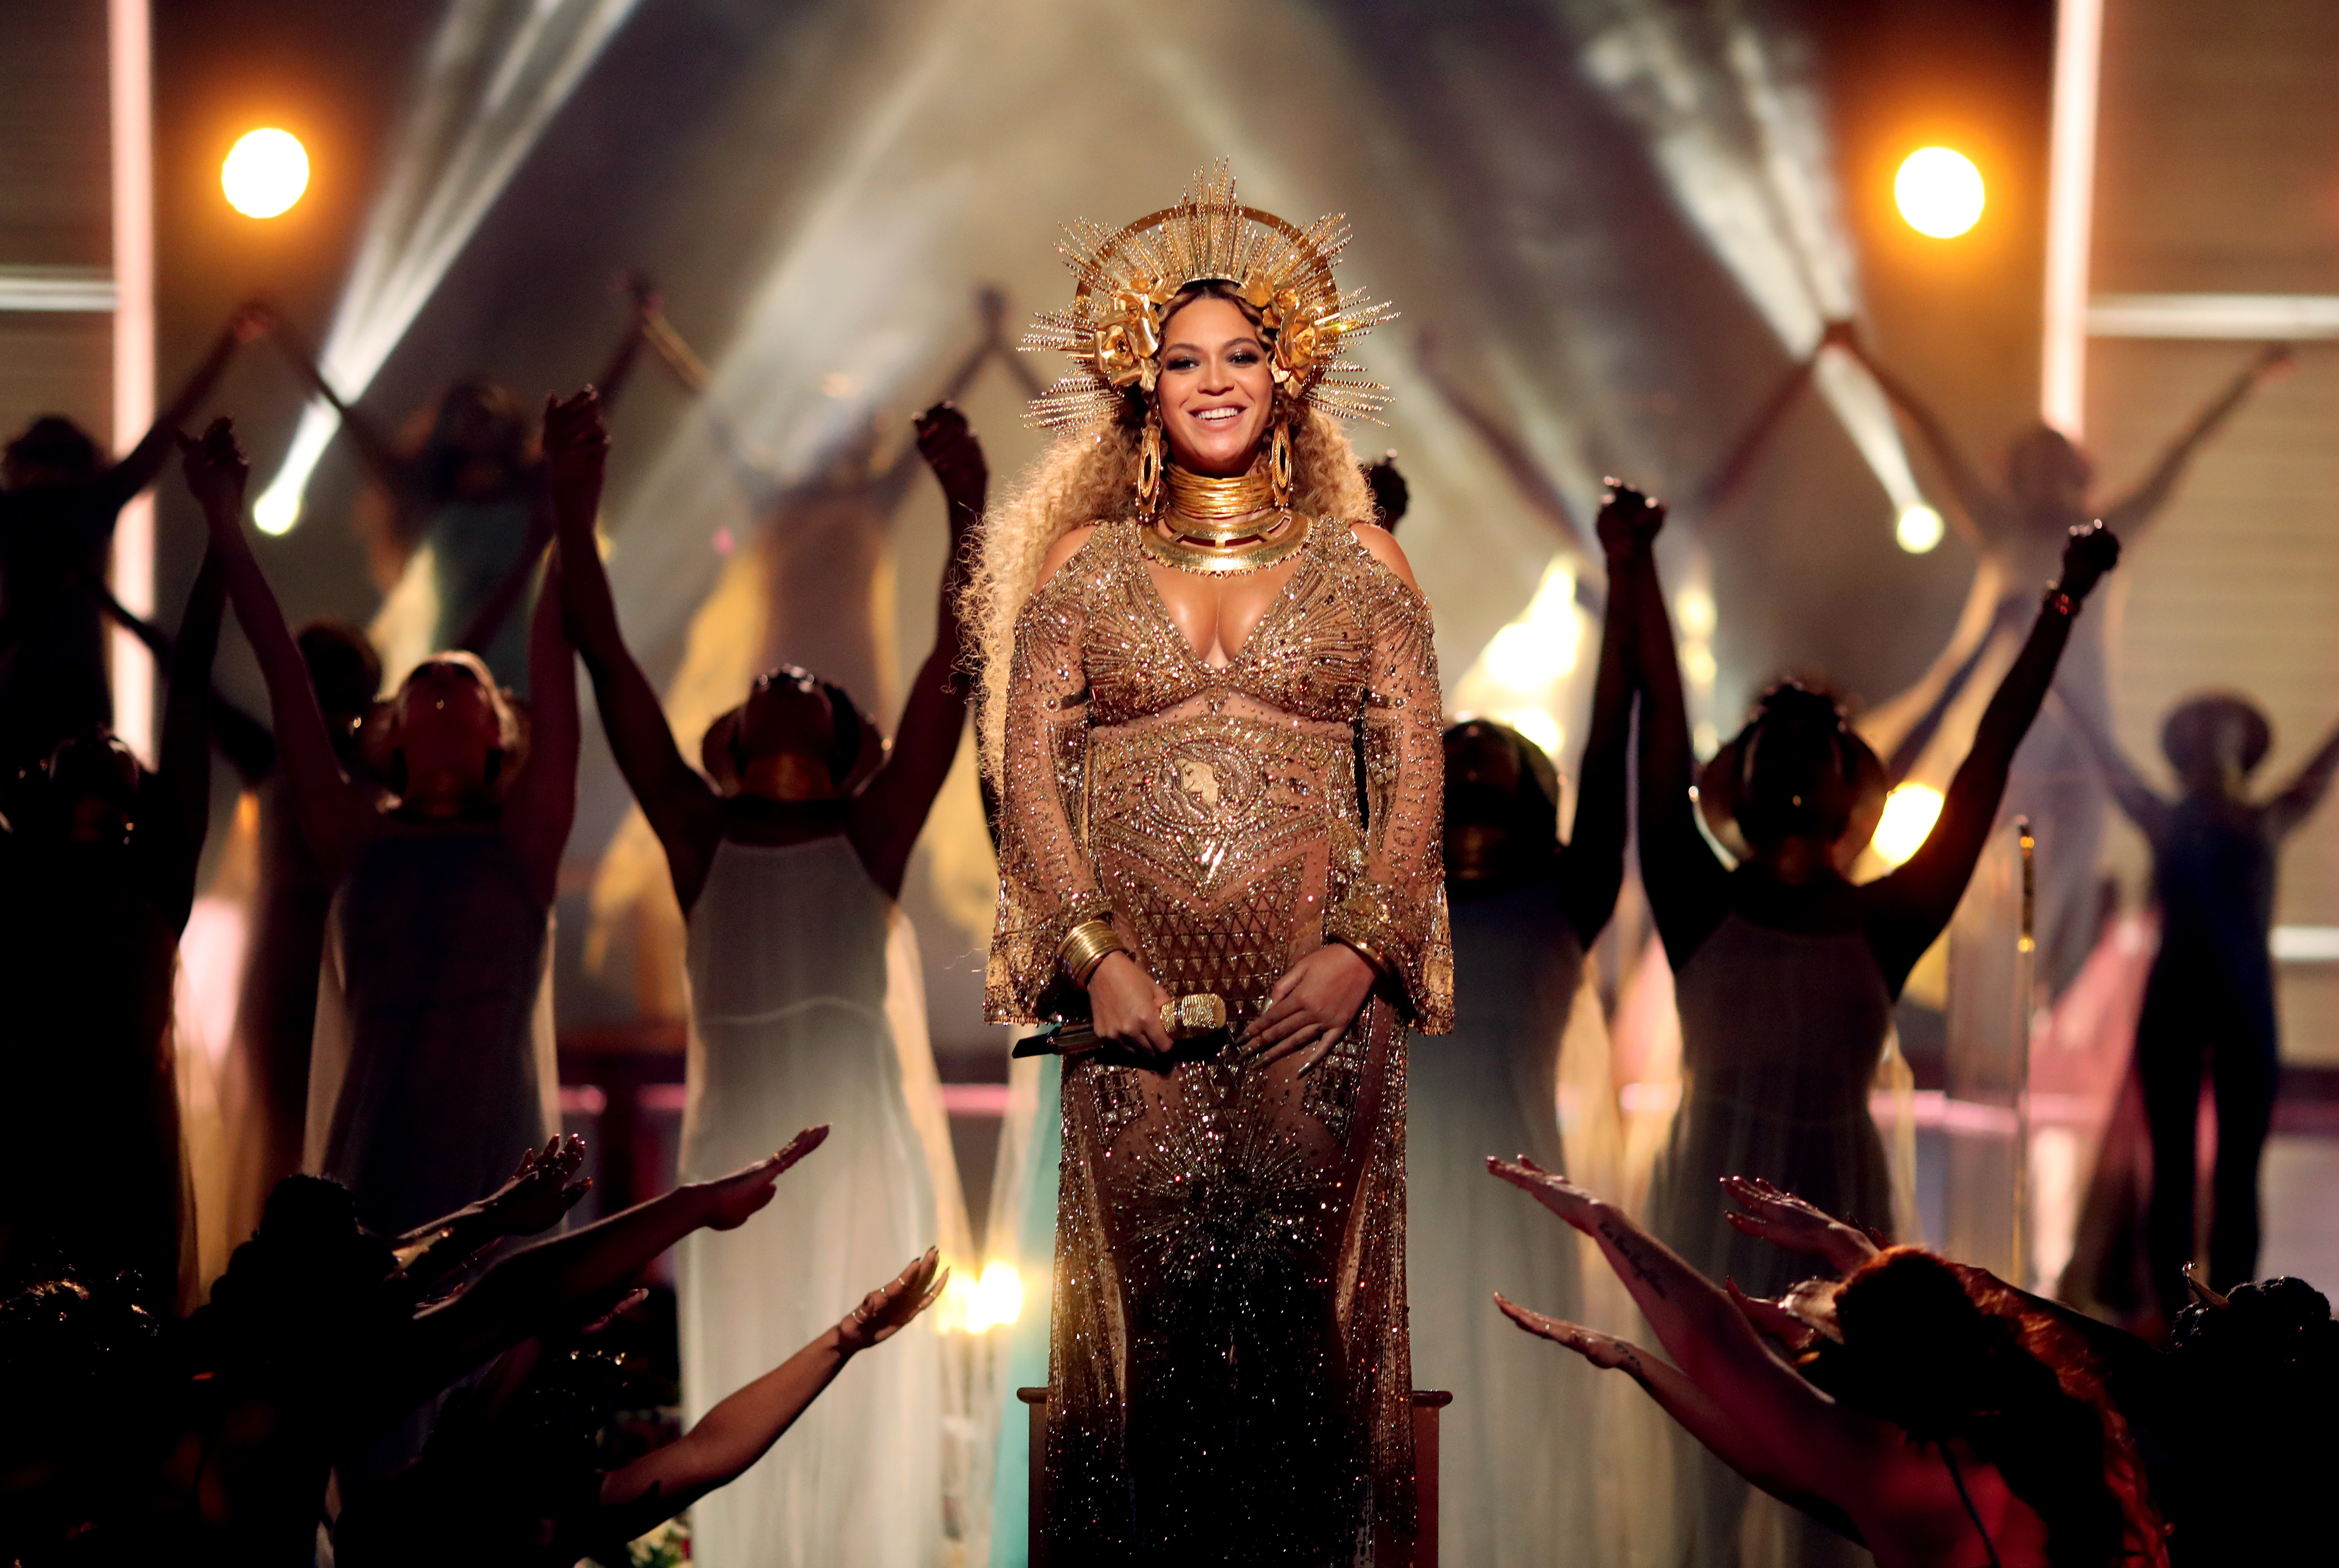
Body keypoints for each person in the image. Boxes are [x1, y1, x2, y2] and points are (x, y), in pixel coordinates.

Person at [972, 164, 1447, 1564]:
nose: (1216, 380)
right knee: (1164, 1339)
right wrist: (1090, 960)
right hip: (1135, 1030)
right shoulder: (1082, 563)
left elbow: (1416, 766)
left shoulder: (1362, 561)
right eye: (1184, 359)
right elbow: (1026, 781)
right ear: (1140, 385)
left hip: (1320, 1019)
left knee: (1301, 1332)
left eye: (1242, 354)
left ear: (1290, 376)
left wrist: (1362, 949)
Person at [1631, 487, 2120, 1563]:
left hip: (1832, 1190)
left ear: (1849, 780)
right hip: (1705, 1178)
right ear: (1741, 774)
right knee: (1709, 1452)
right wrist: (1634, 568)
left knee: (1844, 1443)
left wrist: (2060, 607)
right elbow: (1655, 730)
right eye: (1777, 740)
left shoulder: (1885, 918)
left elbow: (1986, 765)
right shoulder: (1691, 892)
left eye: (1818, 742)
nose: (1796, 758)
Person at [551, 386, 981, 1568]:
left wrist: (967, 505)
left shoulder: (873, 832)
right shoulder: (697, 835)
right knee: (747, 1397)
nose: (784, 673)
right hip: (735, 1163)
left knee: (855, 1392)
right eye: (766, 681)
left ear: (847, 738)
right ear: (732, 734)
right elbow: (605, 653)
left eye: (807, 682)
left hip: (857, 1163)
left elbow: (955, 659)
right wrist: (574, 502)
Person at [188, 415, 578, 1244]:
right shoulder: (352, 837)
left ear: (500, 736)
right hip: (378, 1133)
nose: (441, 675)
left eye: (462, 678)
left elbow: (555, 648)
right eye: (423, 678)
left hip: (493, 1136)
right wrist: (222, 520)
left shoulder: (527, 841)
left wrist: (572, 513)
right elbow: (282, 671)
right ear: (388, 732)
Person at [1839, 327, 2289, 994]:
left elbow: (2181, 450)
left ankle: (2053, 1000)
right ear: (2016, 475)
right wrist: (1867, 362)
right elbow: (1929, 435)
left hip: (2085, 729)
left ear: (2082, 473)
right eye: (2034, 465)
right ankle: (1967, 982)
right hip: (2006, 723)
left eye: (2059, 465)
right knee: (1976, 858)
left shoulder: (2109, 533)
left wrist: (2248, 379)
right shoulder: (2001, 526)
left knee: (2074, 872)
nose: (2048, 479)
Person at [1488, 1157, 2168, 1568]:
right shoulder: (2057, 1418)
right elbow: (1786, 1469)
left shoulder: (1904, 1467)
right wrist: (1634, 1359)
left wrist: (1600, 1216)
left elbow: (1721, 1348)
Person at [1405, 482, 1650, 1567]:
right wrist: (1372, 551)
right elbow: (1353, 720)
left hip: (1516, 1199)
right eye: (1450, 755)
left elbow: (1614, 749)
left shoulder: (1565, 896)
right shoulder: (1384, 900)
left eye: (1489, 753)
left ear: (1531, 794)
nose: (1470, 758)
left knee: (1512, 1416)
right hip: (1397, 1197)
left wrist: (1626, 577)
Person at [333, 1248, 947, 1568]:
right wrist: (544, 1335)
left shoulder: (562, 1516)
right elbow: (456, 1457)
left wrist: (846, 1336)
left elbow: (711, 1450)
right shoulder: (386, 1523)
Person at [0, 518, 230, 1309]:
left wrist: (222, 541)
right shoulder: (17, 872)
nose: (101, 732)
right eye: (83, 737)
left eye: (116, 738)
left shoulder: (159, 873)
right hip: (28, 1133)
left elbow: (192, 682)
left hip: (129, 1139)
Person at [2063, 692, 2339, 1315]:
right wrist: (2063, 689)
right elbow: (2109, 763)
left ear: (2245, 744)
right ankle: (2173, 1312)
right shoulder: (2164, 818)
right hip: (2175, 1009)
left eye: (2225, 724)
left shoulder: (2269, 818)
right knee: (2173, 1172)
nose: (2213, 734)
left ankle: (2236, 1313)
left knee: (2240, 1173)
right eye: (2199, 726)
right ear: (2183, 748)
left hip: (2247, 1010)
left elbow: (2321, 767)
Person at [271, 282, 654, 688]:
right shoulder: (429, 492)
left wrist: (637, 330)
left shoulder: (532, 486)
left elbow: (599, 407)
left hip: (523, 658)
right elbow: (351, 421)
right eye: (467, 412)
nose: (479, 419)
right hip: (452, 654)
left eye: (489, 409)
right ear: (447, 427)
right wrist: (288, 340)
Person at [0, 303, 268, 772]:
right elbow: (168, 427)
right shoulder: (91, 502)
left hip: (16, 685)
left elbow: (165, 429)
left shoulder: (13, 510)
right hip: (80, 687)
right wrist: (230, 340)